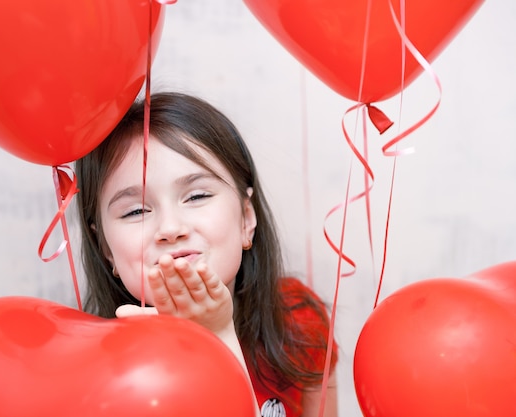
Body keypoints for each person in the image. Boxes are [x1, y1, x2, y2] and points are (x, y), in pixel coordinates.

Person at [75, 92, 338, 417]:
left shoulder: (299, 322)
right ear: (106, 250)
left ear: (247, 217)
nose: (170, 228)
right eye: (135, 211)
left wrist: (218, 335)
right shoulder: (100, 378)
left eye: (197, 195)